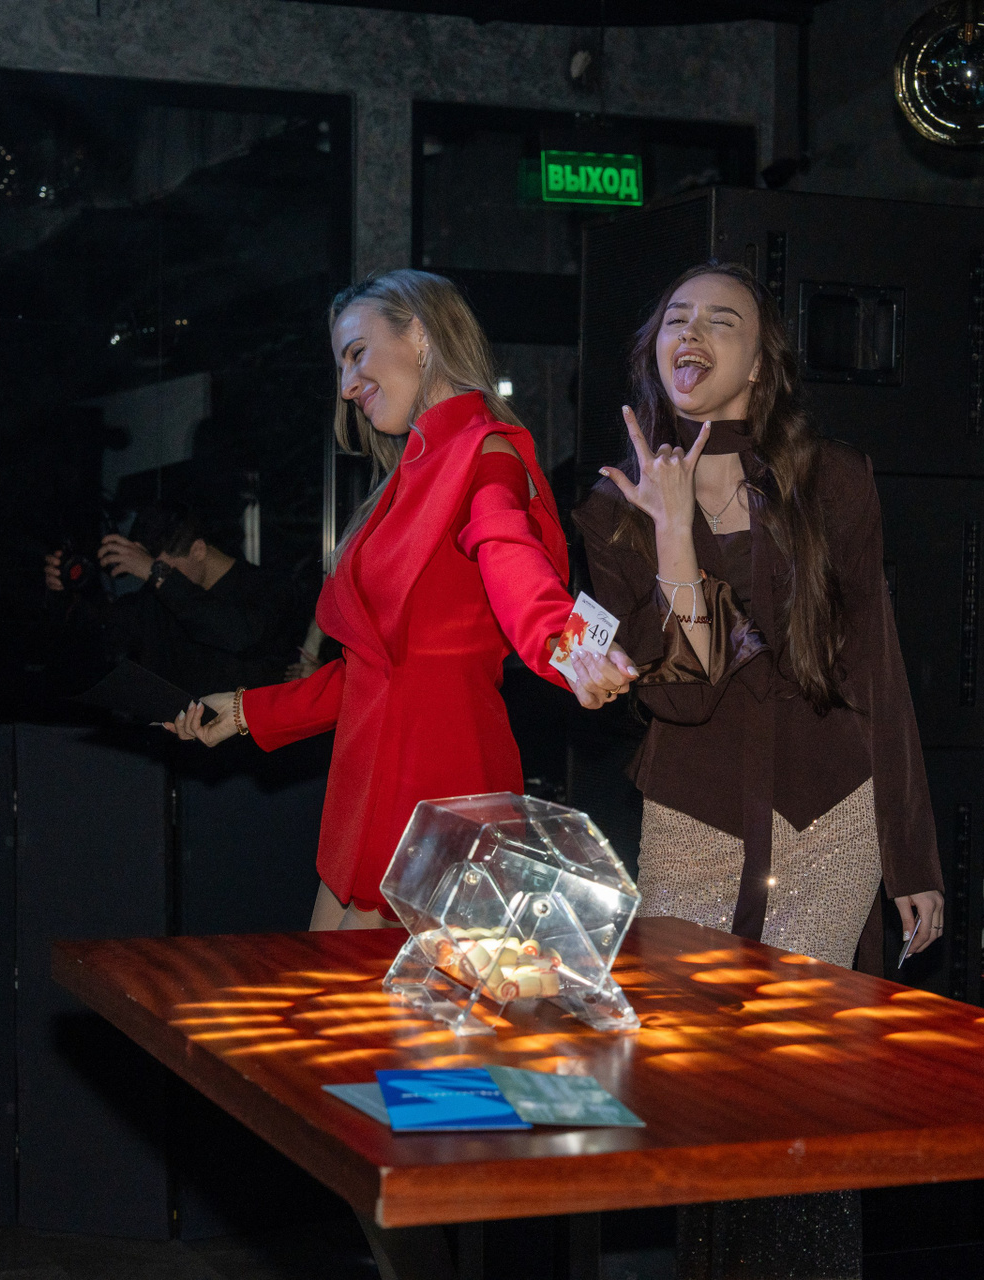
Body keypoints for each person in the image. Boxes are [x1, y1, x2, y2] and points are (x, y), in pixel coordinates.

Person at [167, 270, 634, 930]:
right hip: (370, 792)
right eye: (340, 366)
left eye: (357, 353)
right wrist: (247, 712)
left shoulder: (486, 452)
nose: (347, 386)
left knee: (387, 997)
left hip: (443, 780)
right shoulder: (402, 480)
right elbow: (373, 674)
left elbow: (512, 559)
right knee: (331, 992)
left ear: (419, 334)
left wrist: (571, 647)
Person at [574, 263, 945, 970]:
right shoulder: (615, 509)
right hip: (693, 817)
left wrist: (911, 855)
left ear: (757, 366)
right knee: (682, 1031)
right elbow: (683, 697)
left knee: (799, 1033)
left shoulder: (832, 480)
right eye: (677, 319)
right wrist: (673, 530)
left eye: (721, 321)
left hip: (829, 815)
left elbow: (877, 668)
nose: (692, 331)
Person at [44, 501, 293, 694]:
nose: (156, 581)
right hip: (178, 744)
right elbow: (102, 632)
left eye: (164, 569)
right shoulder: (158, 598)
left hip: (250, 742)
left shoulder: (269, 588)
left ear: (198, 550)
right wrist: (67, 591)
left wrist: (157, 573)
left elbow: (237, 634)